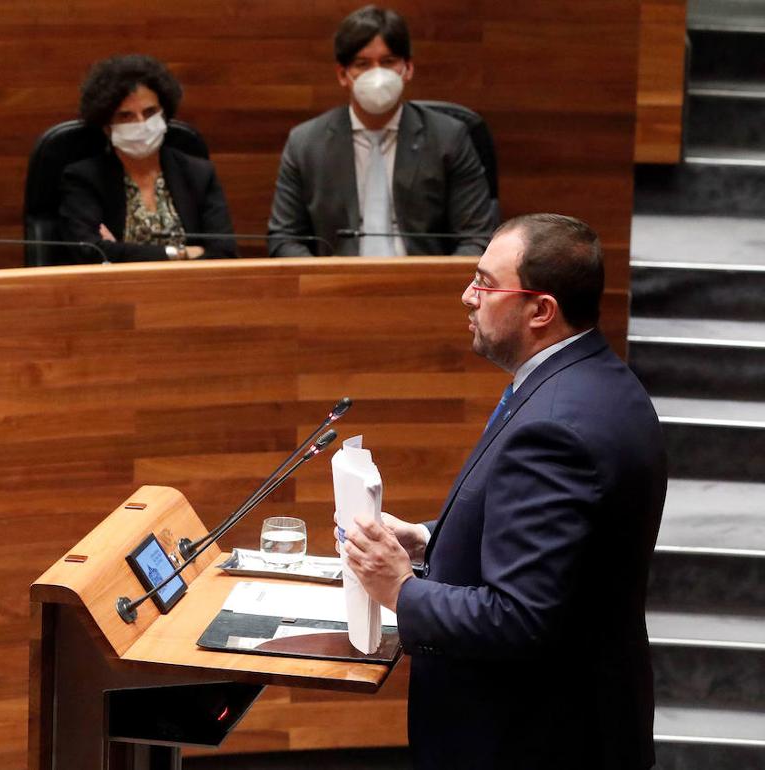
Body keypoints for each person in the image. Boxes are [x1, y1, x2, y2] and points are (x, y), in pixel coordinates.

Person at [340, 214, 667, 769]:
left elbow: (519, 617)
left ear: (541, 310)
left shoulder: (556, 425)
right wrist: (426, 540)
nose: (469, 296)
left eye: (486, 284)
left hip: (532, 740)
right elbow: (562, 554)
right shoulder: (593, 381)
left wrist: (400, 589)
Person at [268, 5, 494, 257]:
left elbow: (477, 237)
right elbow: (284, 238)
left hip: (423, 285)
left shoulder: (449, 138)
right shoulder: (306, 143)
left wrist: (439, 287)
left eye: (387, 62)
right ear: (343, 74)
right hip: (336, 287)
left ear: (407, 68)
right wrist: (319, 284)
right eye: (363, 64)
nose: (376, 74)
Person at [57, 54, 236, 263]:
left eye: (150, 112)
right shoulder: (84, 179)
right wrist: (181, 253)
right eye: (126, 116)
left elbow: (225, 253)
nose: (142, 124)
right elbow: (90, 252)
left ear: (164, 114)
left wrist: (119, 251)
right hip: (116, 291)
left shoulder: (199, 174)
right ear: (107, 127)